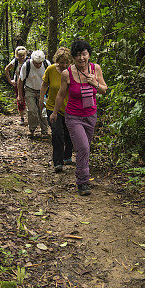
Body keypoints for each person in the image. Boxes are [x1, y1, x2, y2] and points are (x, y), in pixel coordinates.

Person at [51, 40, 107, 195]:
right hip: (73, 117)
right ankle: (82, 182)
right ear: (73, 58)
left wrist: (95, 83)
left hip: (90, 116)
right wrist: (55, 113)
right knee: (83, 147)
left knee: (85, 148)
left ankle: (82, 175)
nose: (81, 58)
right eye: (77, 55)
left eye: (84, 54)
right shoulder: (66, 73)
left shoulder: (96, 69)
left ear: (88, 54)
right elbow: (61, 94)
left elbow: (104, 90)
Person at [39, 46, 74, 172]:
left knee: (69, 134)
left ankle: (67, 156)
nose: (64, 65)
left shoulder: (73, 71)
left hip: (70, 108)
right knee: (57, 133)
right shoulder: (51, 69)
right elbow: (44, 85)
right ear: (56, 60)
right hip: (52, 107)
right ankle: (58, 162)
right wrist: (40, 99)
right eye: (61, 62)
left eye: (67, 62)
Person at [18, 49, 49, 138]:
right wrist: (20, 95)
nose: (38, 65)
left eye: (40, 63)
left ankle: (44, 131)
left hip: (43, 91)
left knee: (43, 111)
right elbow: (21, 80)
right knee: (32, 110)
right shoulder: (27, 65)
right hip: (30, 89)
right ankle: (32, 129)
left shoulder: (47, 64)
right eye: (36, 63)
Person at [4, 45, 27, 125]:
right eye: (20, 56)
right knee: (20, 100)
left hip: (28, 84)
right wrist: (10, 81)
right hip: (17, 84)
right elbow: (6, 69)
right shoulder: (15, 61)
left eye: (23, 55)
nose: (21, 57)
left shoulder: (28, 61)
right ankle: (22, 118)